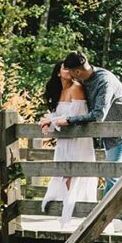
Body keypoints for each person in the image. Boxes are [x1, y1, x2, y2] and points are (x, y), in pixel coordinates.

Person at [42, 51, 122, 195]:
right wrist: (52, 118)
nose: (69, 75)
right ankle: (111, 215)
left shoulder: (104, 81)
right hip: (107, 134)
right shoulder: (83, 79)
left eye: (70, 72)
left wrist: (69, 120)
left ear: (77, 71)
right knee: (113, 174)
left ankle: (106, 216)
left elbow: (98, 115)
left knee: (112, 175)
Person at [38, 62, 97, 229]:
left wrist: (52, 120)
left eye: (71, 69)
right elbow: (58, 116)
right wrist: (47, 121)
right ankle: (64, 212)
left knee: (73, 173)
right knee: (62, 172)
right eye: (65, 68)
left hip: (78, 138)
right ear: (58, 73)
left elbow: (76, 116)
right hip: (64, 140)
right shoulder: (59, 91)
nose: (69, 71)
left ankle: (73, 216)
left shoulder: (76, 88)